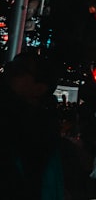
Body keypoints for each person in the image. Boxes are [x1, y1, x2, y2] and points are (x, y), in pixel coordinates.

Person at [0, 50, 69, 199]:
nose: (12, 71)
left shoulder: (37, 126)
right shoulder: (41, 124)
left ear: (40, 87)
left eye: (21, 70)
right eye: (13, 66)